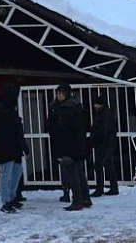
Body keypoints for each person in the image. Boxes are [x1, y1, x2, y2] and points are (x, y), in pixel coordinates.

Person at [49, 83, 91, 211]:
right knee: (78, 173)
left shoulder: (66, 109)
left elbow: (60, 129)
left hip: (68, 146)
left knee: (73, 174)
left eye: (60, 93)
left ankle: (78, 199)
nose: (58, 96)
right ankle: (84, 198)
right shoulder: (75, 107)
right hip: (75, 146)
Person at [0, 84, 29, 213]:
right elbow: (15, 131)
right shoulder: (5, 112)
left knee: (14, 173)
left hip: (11, 148)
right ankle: (6, 201)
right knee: (7, 174)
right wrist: (24, 147)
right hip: (8, 148)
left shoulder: (3, 111)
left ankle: (10, 198)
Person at [90, 94, 119, 197]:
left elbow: (103, 130)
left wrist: (95, 139)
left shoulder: (103, 114)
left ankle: (100, 189)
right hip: (107, 143)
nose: (95, 106)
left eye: (96, 104)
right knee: (108, 165)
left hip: (104, 143)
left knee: (99, 165)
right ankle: (113, 187)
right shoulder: (106, 113)